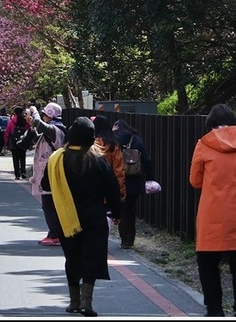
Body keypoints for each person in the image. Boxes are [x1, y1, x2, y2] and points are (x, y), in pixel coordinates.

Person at [189, 103, 236, 317]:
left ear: (210, 124)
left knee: (207, 263)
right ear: (234, 122)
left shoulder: (203, 144)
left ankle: (215, 310)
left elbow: (195, 181)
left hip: (213, 216)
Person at [42, 116, 122, 316]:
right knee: (90, 257)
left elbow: (45, 184)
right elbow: (112, 189)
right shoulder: (97, 160)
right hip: (93, 218)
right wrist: (116, 212)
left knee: (72, 258)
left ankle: (74, 302)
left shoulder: (57, 159)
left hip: (66, 218)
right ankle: (87, 302)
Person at [112, 118, 154, 249]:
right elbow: (146, 160)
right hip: (135, 179)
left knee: (122, 209)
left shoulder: (114, 140)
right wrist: (149, 178)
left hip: (120, 179)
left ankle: (124, 239)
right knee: (131, 209)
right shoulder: (136, 140)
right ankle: (130, 239)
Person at [31, 101, 66, 245]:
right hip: (48, 172)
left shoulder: (55, 129)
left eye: (45, 114)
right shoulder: (53, 129)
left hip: (51, 174)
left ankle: (55, 235)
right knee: (49, 205)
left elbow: (37, 123)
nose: (43, 116)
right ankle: (53, 233)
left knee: (49, 205)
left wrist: (34, 111)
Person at [91, 115, 126, 201]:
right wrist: (121, 190)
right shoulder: (113, 145)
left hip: (92, 189)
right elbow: (118, 171)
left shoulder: (90, 144)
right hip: (109, 188)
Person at [4, 105, 32, 180]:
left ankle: (17, 174)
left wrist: (6, 142)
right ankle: (23, 172)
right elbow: (29, 130)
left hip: (14, 142)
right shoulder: (25, 121)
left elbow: (7, 133)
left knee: (15, 158)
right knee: (22, 157)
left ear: (15, 112)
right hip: (23, 142)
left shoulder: (12, 121)